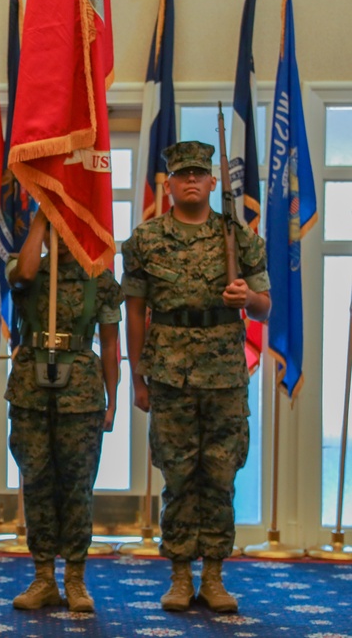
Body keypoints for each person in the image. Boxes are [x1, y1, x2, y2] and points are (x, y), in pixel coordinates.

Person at [122, 141, 270, 614]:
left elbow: (267, 306)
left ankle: (214, 576)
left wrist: (247, 298)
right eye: (182, 173)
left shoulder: (238, 236)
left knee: (221, 476)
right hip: (169, 375)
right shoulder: (145, 240)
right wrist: (138, 379)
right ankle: (181, 576)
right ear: (169, 184)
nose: (190, 180)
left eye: (199, 174)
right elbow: (136, 313)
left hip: (225, 375)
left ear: (211, 183)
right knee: (179, 476)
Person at [5, 211, 122, 613]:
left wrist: (113, 397)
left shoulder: (100, 278)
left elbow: (110, 343)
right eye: (59, 222)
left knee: (76, 486)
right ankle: (43, 577)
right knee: (36, 482)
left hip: (82, 392)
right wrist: (40, 216)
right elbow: (23, 272)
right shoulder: (27, 270)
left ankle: (75, 577)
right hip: (30, 391)